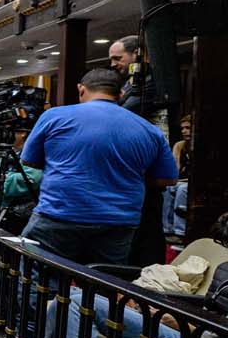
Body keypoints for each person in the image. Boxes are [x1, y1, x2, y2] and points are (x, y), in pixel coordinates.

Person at [18, 68, 178, 265]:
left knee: (37, 276)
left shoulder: (55, 116)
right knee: (105, 281)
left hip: (61, 213)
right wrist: (127, 174)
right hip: (119, 221)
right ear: (120, 95)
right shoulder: (149, 130)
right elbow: (168, 179)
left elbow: (29, 160)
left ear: (81, 89)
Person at [166, 115, 191, 238]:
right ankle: (167, 227)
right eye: (182, 128)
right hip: (181, 179)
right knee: (168, 187)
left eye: (188, 128)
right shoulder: (180, 145)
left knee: (182, 189)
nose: (184, 131)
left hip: (192, 182)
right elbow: (174, 167)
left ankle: (180, 231)